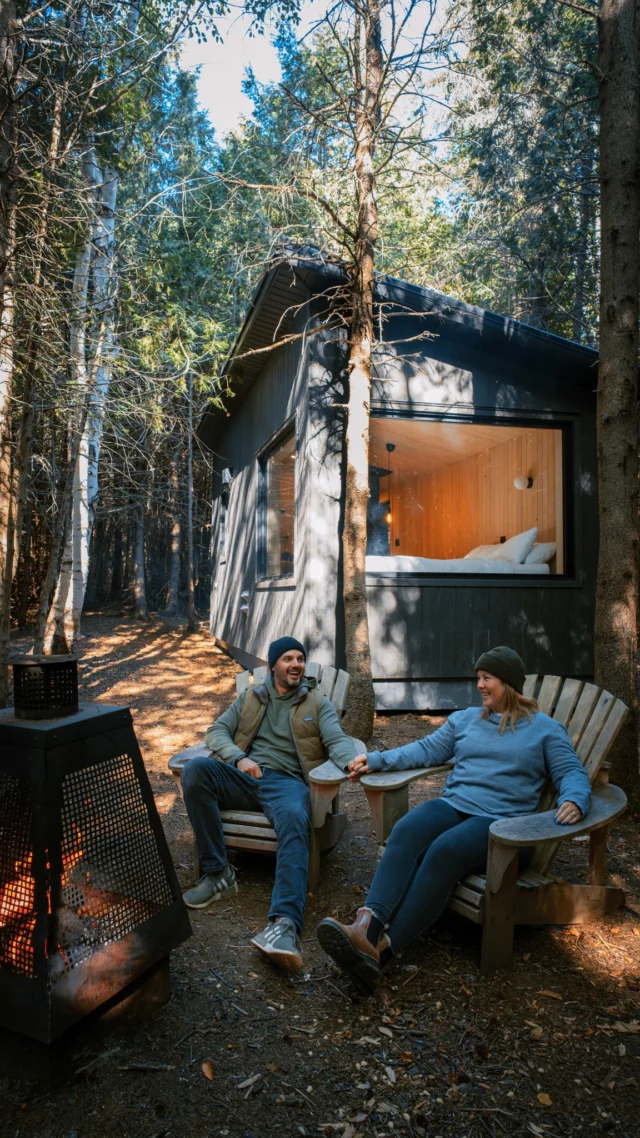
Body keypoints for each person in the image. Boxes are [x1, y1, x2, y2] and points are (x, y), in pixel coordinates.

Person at [316, 645, 591, 992]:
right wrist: (377, 759)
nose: (479, 685)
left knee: (443, 850)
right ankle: (365, 930)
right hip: (457, 805)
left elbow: (572, 772)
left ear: (508, 682)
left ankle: (383, 953)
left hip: (504, 827)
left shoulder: (545, 730)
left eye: (486, 678)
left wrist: (575, 799)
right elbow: (424, 750)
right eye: (478, 677)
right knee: (407, 829)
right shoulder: (464, 720)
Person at [180, 636, 357, 974]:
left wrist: (352, 763)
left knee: (294, 815)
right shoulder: (251, 696)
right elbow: (216, 732)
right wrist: (238, 758)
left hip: (289, 784)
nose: (296, 665)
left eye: (300, 659)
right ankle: (218, 874)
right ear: (273, 665)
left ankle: (284, 924)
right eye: (288, 658)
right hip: (247, 777)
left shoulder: (317, 702)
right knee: (196, 770)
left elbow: (338, 741)